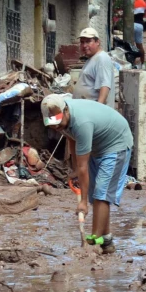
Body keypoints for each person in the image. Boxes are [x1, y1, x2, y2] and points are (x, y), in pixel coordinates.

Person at [41, 94, 134, 254]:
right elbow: (71, 138)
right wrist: (75, 168)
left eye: (58, 123)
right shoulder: (61, 119)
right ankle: (106, 241)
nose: (55, 127)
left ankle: (92, 244)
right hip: (98, 146)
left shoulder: (82, 123)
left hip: (116, 144)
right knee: (95, 195)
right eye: (52, 124)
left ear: (66, 111)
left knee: (101, 194)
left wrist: (82, 202)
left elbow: (83, 166)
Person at [73, 27, 116, 107]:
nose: (84, 45)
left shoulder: (102, 58)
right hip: (86, 109)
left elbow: (105, 86)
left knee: (54, 118)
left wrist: (98, 109)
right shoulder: (92, 58)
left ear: (97, 42)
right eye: (82, 42)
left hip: (94, 112)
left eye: (88, 41)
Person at [133, 0, 146, 65]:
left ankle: (133, 62)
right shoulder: (143, 2)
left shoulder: (130, 1)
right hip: (140, 25)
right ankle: (142, 62)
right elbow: (144, 14)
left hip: (131, 24)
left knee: (131, 45)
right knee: (140, 45)